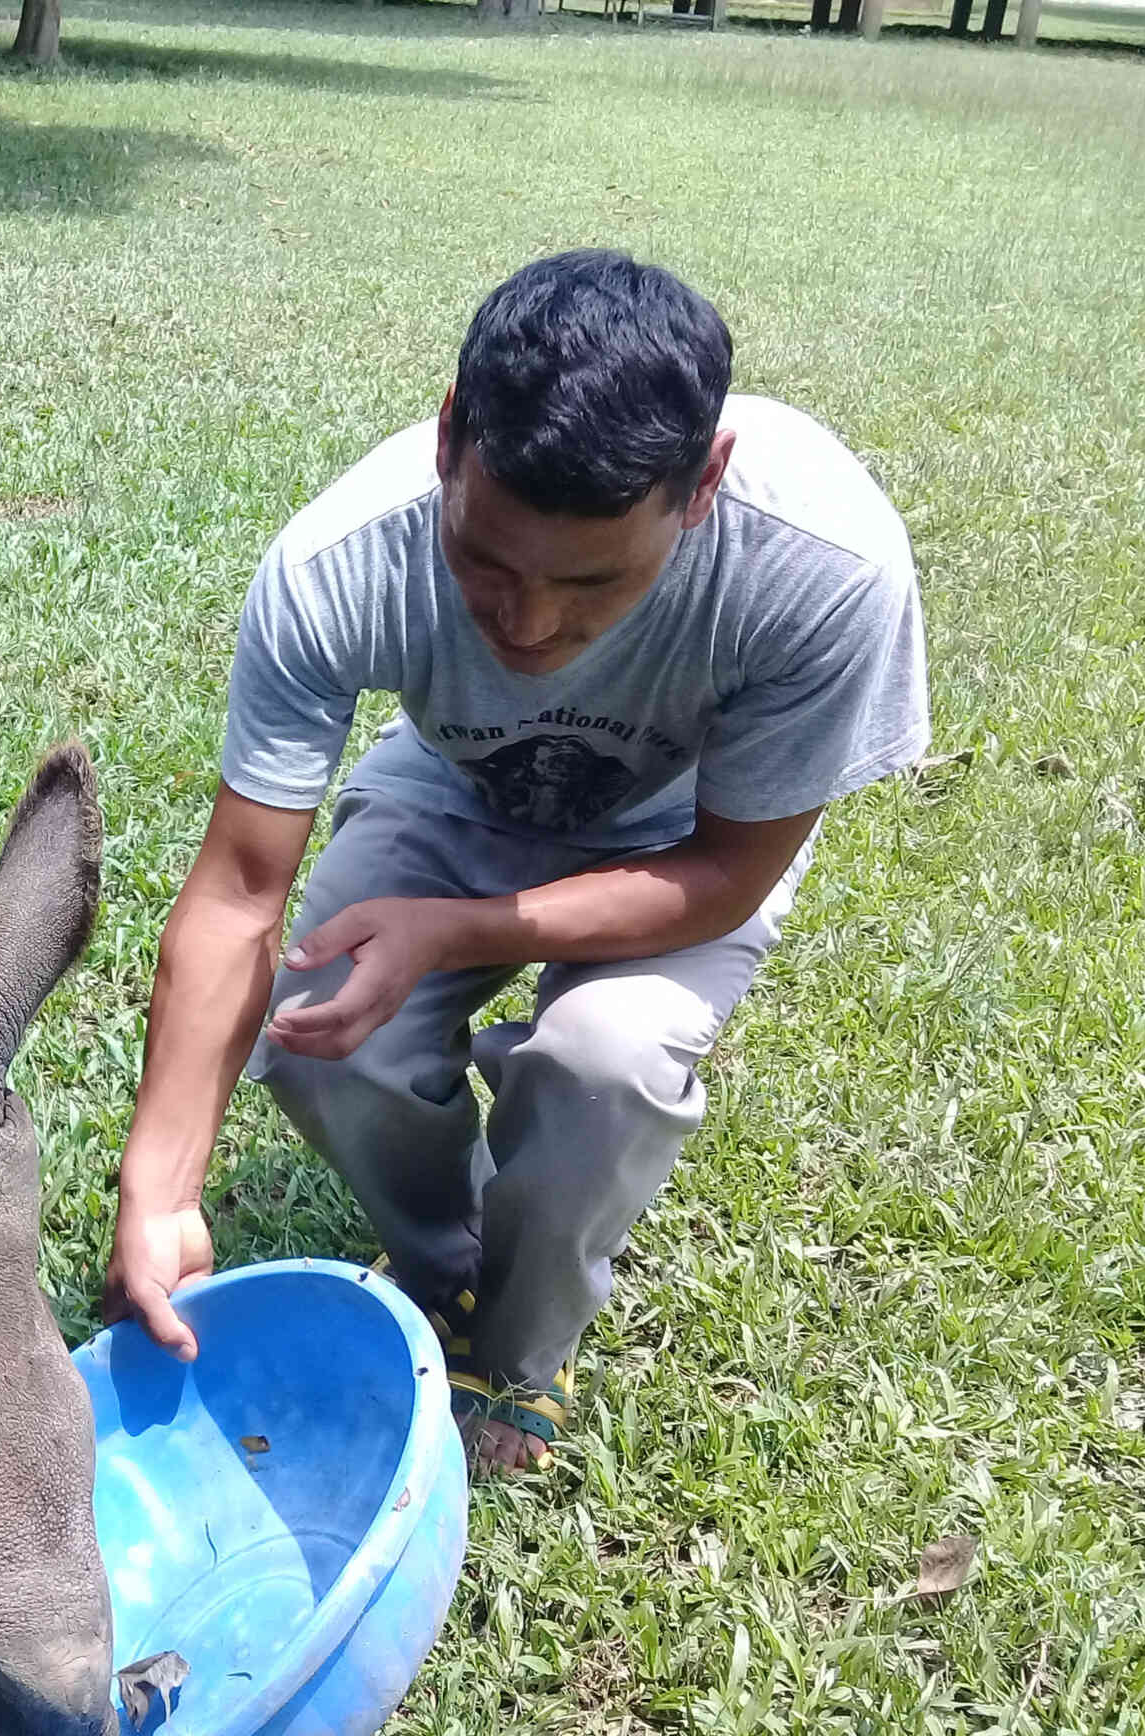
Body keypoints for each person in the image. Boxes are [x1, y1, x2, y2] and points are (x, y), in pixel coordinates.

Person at [103, 250, 928, 1475]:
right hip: (458, 788)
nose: (528, 625)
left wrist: (458, 930)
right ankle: (443, 1265)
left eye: (593, 581)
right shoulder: (344, 562)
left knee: (602, 1064)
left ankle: (522, 1346)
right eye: (484, 563)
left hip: (679, 837)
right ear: (448, 439)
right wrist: (163, 1183)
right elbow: (236, 895)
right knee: (321, 1018)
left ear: (702, 484)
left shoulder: (822, 570)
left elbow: (729, 875)